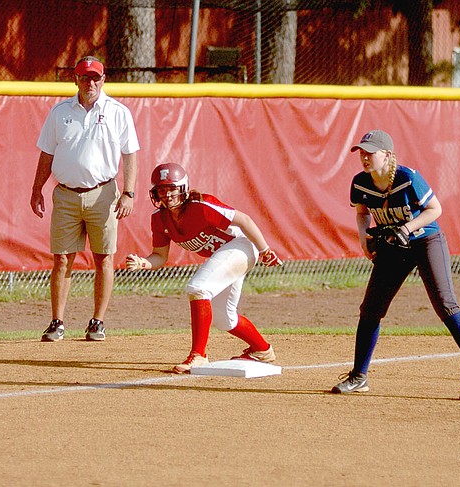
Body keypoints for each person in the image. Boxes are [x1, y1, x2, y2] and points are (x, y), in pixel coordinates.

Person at [332, 129, 460, 400]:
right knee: (370, 309)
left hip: (426, 241)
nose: (364, 157)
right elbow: (362, 212)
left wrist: (406, 228)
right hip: (394, 247)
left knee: (445, 304)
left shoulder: (408, 178)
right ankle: (359, 376)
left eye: (370, 152)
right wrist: (363, 238)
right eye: (361, 152)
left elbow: (435, 209)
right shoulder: (360, 182)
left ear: (387, 154)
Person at [125, 163, 282, 373]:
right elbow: (160, 257)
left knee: (198, 288)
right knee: (224, 318)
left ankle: (198, 355)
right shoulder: (159, 218)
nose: (167, 194)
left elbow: (243, 219)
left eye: (171, 188)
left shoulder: (201, 205)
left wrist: (264, 250)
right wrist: (143, 262)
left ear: (183, 188)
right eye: (161, 190)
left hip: (240, 246)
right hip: (226, 255)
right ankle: (262, 350)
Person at [30, 55, 140, 342]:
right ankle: (57, 321)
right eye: (84, 77)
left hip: (104, 193)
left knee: (104, 257)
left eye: (95, 77)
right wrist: (36, 189)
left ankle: (97, 321)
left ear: (103, 80)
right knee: (62, 260)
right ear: (75, 79)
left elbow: (130, 154)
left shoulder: (118, 112)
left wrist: (128, 192)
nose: (89, 82)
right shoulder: (60, 112)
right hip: (65, 194)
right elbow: (47, 153)